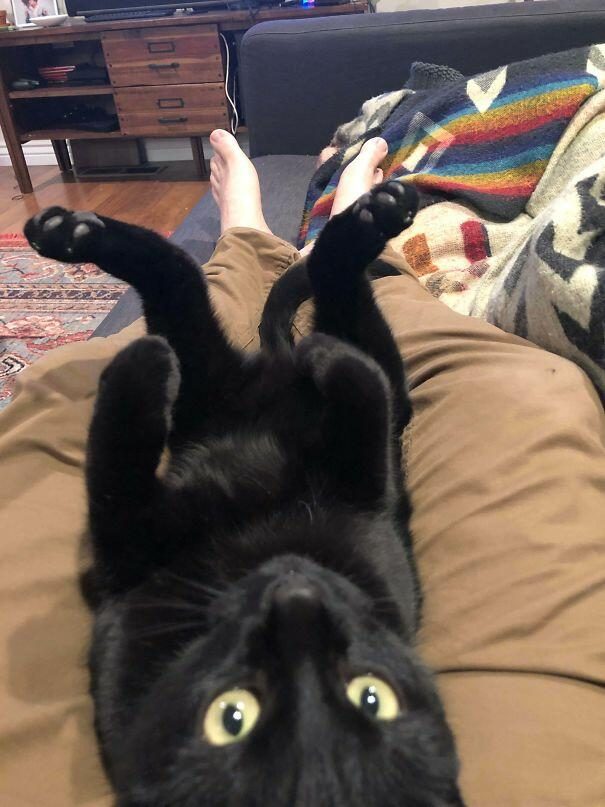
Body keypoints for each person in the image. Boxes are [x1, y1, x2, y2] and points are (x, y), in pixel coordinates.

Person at [0, 128, 603, 807]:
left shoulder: (139, 694)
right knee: (517, 385)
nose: (297, 600)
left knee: (89, 367)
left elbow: (123, 562)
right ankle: (341, 253)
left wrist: (125, 437)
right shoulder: (367, 604)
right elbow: (372, 500)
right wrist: (363, 395)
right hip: (319, 454)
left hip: (218, 439)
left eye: (233, 713)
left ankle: (244, 234)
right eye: (369, 696)